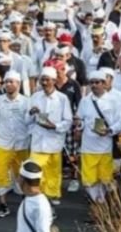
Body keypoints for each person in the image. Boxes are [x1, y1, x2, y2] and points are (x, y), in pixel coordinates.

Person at [75, 70, 121, 208]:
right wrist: (79, 124)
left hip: (105, 146)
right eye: (92, 83)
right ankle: (98, 204)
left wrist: (110, 130)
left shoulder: (114, 101)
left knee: (105, 179)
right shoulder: (85, 101)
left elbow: (120, 121)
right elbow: (81, 119)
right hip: (88, 146)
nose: (94, 85)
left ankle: (105, 206)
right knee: (89, 180)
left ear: (104, 84)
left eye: (97, 82)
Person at [0, 70, 30, 218]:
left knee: (22, 173)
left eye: (12, 82)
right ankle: (3, 204)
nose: (9, 84)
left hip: (21, 144)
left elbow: (30, 123)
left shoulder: (26, 102)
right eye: (7, 82)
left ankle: (26, 202)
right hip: (3, 143)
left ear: (18, 84)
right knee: (1, 173)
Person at [27, 67, 73, 206]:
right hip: (38, 141)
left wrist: (55, 126)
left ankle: (53, 195)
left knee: (53, 172)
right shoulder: (35, 97)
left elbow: (68, 121)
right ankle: (36, 194)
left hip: (54, 141)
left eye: (47, 80)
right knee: (35, 171)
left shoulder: (62, 98)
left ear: (54, 81)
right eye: (42, 80)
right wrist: (31, 113)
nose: (44, 83)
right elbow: (26, 120)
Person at [15, 160, 54, 232]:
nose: (17, 180)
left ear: (23, 180)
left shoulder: (40, 206)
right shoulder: (29, 198)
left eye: (19, 177)